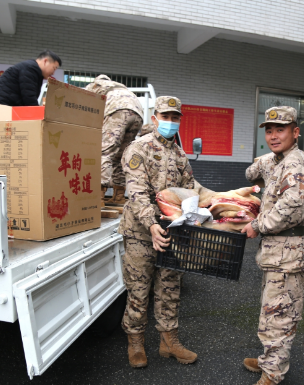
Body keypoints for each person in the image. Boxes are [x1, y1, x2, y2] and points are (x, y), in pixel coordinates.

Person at [241, 106, 304, 385]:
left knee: (280, 316)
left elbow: (293, 208)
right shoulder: (279, 160)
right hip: (278, 253)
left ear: (295, 132)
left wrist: (256, 226)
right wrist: (264, 163)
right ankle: (270, 359)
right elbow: (250, 173)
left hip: (289, 254)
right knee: (272, 310)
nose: (274, 135)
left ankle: (272, 375)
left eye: (281, 129)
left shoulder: (295, 165)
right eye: (269, 130)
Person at [118, 96, 197, 368]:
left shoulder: (179, 154)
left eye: (176, 118)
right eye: (166, 116)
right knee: (139, 289)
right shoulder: (137, 149)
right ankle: (136, 343)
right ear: (155, 118)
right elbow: (137, 192)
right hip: (141, 232)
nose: (171, 122)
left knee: (170, 287)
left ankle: (169, 342)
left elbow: (189, 190)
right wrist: (152, 224)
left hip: (172, 232)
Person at [85, 75, 144, 206]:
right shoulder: (119, 87)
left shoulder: (94, 86)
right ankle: (119, 197)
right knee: (120, 156)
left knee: (105, 152)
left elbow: (85, 109)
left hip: (118, 110)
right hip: (138, 113)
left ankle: (98, 197)